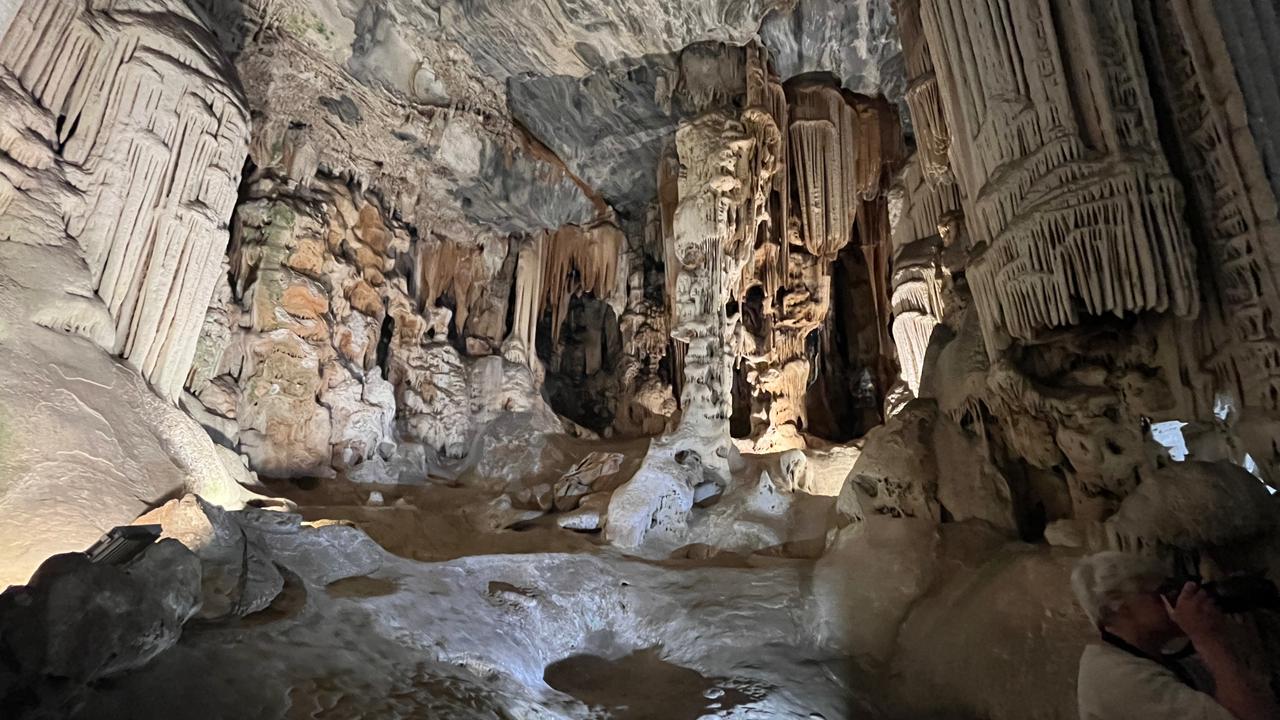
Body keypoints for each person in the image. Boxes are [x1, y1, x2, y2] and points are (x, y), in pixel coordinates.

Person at [1071, 551, 1280, 720]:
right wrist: (1208, 638)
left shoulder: (1145, 659)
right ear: (1119, 606)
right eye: (1158, 593)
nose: (1174, 600)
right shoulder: (1116, 679)